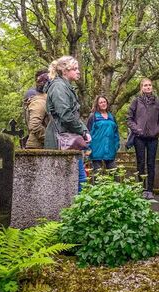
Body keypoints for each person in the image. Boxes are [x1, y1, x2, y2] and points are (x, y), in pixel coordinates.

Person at [44, 55, 91, 192]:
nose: (78, 72)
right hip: (61, 138)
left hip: (67, 137)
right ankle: (74, 211)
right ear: (65, 71)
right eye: (75, 69)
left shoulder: (65, 86)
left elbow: (71, 115)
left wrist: (84, 130)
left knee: (79, 178)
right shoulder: (59, 87)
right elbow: (66, 115)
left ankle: (78, 210)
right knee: (70, 180)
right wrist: (83, 131)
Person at [126, 78, 159, 200]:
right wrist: (137, 129)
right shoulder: (136, 101)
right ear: (141, 88)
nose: (148, 87)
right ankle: (142, 189)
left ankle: (150, 190)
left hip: (153, 138)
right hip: (139, 138)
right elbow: (129, 118)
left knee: (151, 163)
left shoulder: (158, 102)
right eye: (145, 85)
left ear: (152, 87)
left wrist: (156, 130)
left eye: (149, 85)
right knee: (141, 163)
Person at [86, 95, 120, 172]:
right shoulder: (93, 116)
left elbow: (116, 133)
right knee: (98, 175)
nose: (103, 104)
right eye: (101, 102)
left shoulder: (112, 117)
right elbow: (88, 133)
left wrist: (116, 145)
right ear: (97, 104)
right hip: (96, 151)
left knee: (114, 173)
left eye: (104, 102)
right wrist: (88, 148)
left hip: (110, 150)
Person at [24, 72, 50, 149]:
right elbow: (34, 125)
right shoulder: (39, 101)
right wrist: (49, 139)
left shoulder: (44, 99)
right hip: (37, 146)